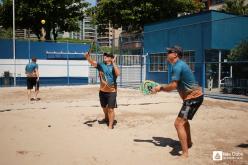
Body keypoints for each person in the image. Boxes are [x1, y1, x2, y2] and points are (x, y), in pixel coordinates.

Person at [152, 45, 204, 158]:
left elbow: (173, 86)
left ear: (175, 54)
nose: (167, 54)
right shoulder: (179, 65)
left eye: (169, 52)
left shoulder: (177, 66)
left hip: (193, 99)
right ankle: (188, 143)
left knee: (178, 123)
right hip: (194, 98)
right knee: (184, 122)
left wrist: (159, 88)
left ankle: (185, 154)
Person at [85, 52, 120, 129]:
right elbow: (92, 62)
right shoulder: (101, 65)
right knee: (104, 108)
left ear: (111, 58)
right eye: (105, 55)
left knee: (110, 109)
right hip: (102, 91)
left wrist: (113, 62)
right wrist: (87, 57)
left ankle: (110, 125)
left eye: (107, 56)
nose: (105, 56)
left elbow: (118, 74)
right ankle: (106, 118)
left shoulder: (113, 66)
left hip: (112, 91)